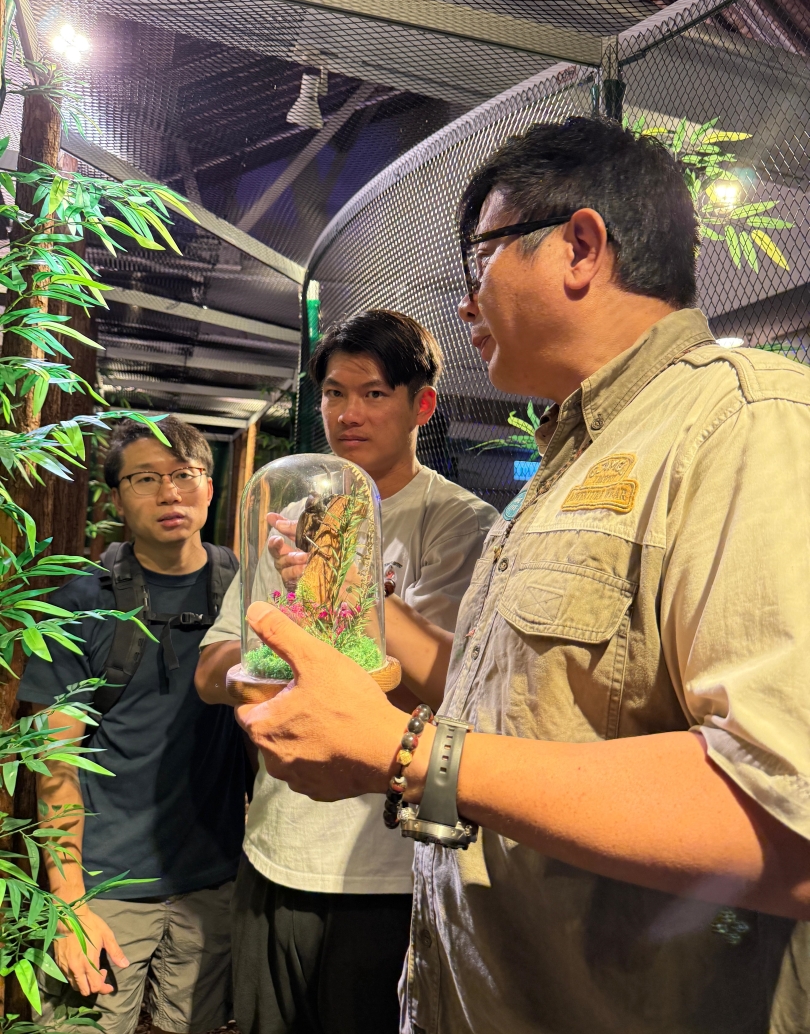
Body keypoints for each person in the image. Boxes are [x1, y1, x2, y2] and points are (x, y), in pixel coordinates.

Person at [235, 117, 810, 1034]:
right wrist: (352, 608)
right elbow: (521, 700)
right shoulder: (571, 460)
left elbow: (784, 817)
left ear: (580, 247)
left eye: (479, 264)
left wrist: (405, 755)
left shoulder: (749, 424)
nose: (465, 307)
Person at [195, 308, 498, 1034]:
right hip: (274, 851)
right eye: (334, 393)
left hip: (391, 872)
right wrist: (261, 668)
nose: (347, 413)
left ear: (422, 405)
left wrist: (337, 584)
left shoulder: (461, 525)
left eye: (373, 393)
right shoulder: (292, 511)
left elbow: (451, 685)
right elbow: (212, 668)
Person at [17, 416, 247, 1034]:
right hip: (103, 886)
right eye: (145, 478)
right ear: (117, 498)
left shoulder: (247, 592)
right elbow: (54, 763)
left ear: (209, 487)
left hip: (213, 882)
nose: (169, 493)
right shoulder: (80, 602)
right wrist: (68, 902)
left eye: (184, 475)